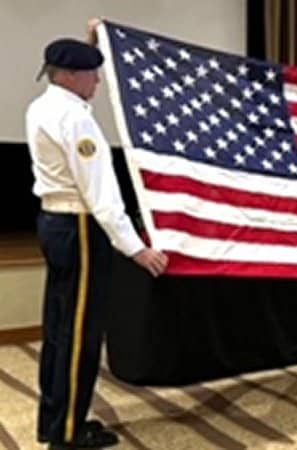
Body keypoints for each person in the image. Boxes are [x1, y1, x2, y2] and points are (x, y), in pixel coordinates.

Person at [26, 21, 169, 449]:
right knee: (80, 334)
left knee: (58, 328)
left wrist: (92, 43)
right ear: (70, 76)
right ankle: (68, 434)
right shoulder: (76, 120)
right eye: (93, 72)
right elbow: (103, 196)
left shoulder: (44, 106)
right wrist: (136, 249)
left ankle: (54, 422)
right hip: (82, 228)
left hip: (55, 223)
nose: (99, 80)